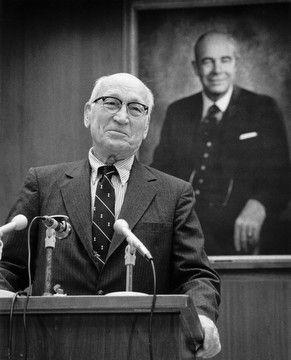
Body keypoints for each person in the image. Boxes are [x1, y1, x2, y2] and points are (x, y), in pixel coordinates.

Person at [0, 73, 221, 358]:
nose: (121, 117)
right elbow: (9, 268)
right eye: (111, 103)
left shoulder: (174, 193)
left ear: (146, 127)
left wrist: (203, 317)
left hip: (140, 344)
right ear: (88, 113)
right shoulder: (43, 183)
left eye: (135, 108)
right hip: (52, 343)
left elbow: (196, 274)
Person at [152, 31, 290, 255]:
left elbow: (281, 177)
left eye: (225, 60)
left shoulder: (263, 109)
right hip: (187, 236)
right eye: (208, 61)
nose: (217, 70)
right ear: (196, 67)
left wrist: (260, 205)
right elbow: (161, 174)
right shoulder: (178, 111)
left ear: (236, 64)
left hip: (244, 238)